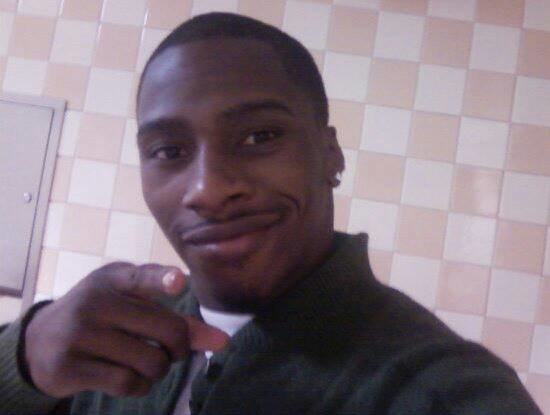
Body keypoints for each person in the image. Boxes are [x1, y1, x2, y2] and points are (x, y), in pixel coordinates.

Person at [0, 12, 542, 415]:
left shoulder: (439, 392)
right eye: (169, 150)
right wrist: (23, 360)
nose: (208, 191)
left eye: (259, 137)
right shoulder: (109, 343)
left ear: (330, 154)